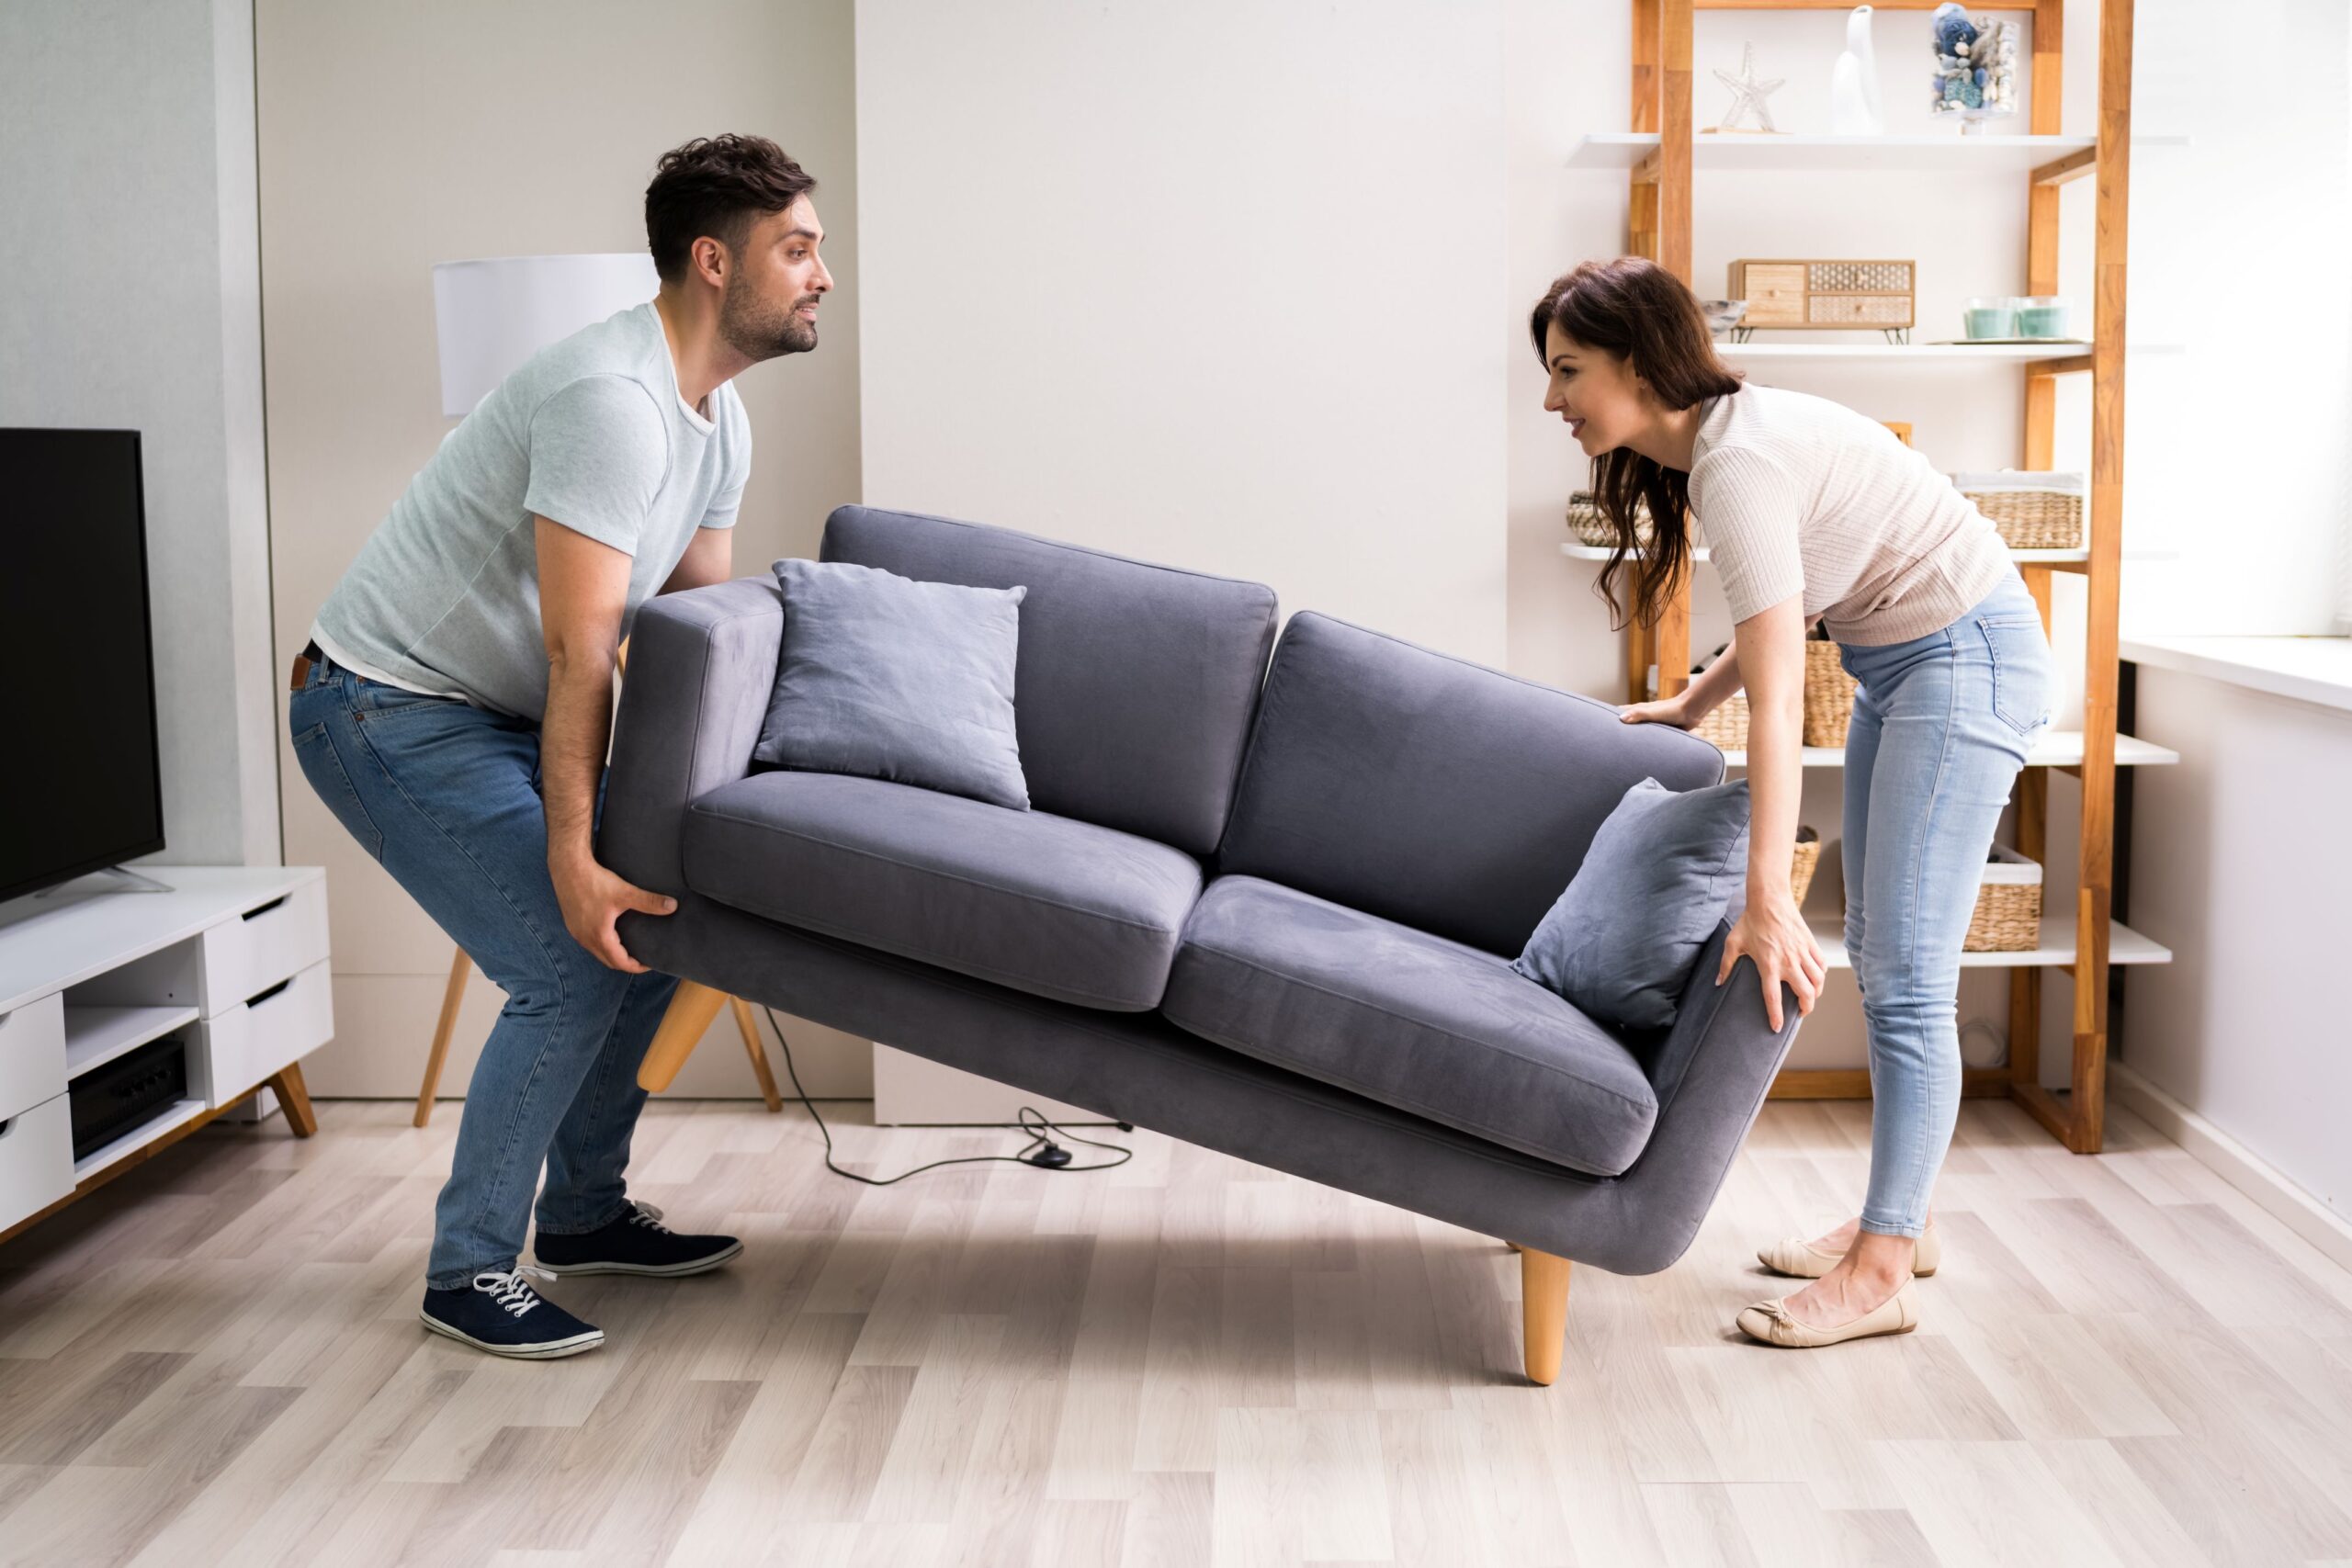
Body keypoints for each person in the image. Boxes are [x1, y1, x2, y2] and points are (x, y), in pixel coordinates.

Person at [287, 133, 834, 1359]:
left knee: (656, 913)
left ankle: (583, 1213)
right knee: (572, 951)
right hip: (383, 705)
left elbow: (684, 648)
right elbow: (584, 653)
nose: (822, 275)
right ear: (713, 259)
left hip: (498, 710)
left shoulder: (716, 418)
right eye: (796, 248)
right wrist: (581, 856)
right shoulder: (611, 402)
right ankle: (469, 1268)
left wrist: (729, 827)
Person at [1530, 255, 2053, 1348]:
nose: (1552, 400)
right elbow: (1787, 619)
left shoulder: (1739, 463)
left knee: (1906, 976)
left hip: (1962, 664)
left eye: (1568, 370)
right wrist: (1686, 700)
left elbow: (1777, 715)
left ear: (1637, 360)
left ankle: (1880, 1268)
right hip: (1903, 663)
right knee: (1885, 948)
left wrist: (1766, 897)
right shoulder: (1719, 447)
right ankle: (1897, 1227)